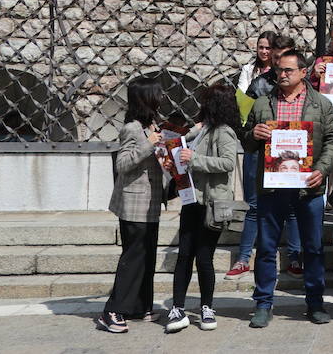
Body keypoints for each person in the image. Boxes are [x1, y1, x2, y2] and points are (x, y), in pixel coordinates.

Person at [243, 47, 333, 328]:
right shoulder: (262, 103)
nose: (282, 75)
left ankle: (315, 303)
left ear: (303, 72)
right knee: (266, 248)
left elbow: (332, 142)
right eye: (279, 70)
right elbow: (246, 142)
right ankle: (263, 303)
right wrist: (253, 134)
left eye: (288, 70)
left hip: (307, 188)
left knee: (312, 248)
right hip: (272, 188)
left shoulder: (321, 104)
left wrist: (321, 171)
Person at [164, 81, 242, 333]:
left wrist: (194, 159)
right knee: (184, 254)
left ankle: (207, 307)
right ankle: (177, 307)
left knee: (204, 257)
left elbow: (228, 163)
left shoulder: (225, 132)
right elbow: (180, 142)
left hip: (211, 204)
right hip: (192, 200)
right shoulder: (205, 129)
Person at [228, 34, 303, 280]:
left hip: (292, 153)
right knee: (254, 205)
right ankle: (243, 258)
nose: (281, 67)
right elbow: (243, 120)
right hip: (260, 153)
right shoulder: (259, 84)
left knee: (292, 206)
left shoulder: (305, 87)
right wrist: (253, 133)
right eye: (276, 58)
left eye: (285, 58)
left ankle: (295, 257)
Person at [98, 75, 166, 334]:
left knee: (147, 255)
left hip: (150, 203)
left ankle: (139, 305)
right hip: (134, 204)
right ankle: (112, 310)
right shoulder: (133, 129)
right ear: (146, 98)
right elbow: (123, 164)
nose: (161, 98)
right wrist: (149, 146)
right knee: (133, 257)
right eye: (157, 94)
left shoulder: (151, 124)